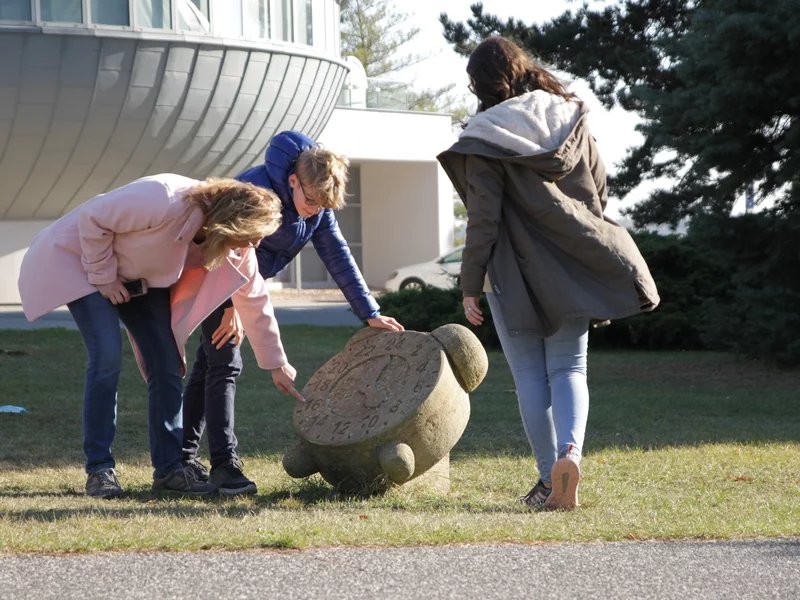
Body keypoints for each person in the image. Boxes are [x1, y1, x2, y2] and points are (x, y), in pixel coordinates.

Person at [437, 37, 659, 510]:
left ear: (480, 85)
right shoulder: (570, 117)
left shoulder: (485, 137)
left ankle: (546, 480)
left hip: (512, 273)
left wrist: (470, 284)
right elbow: (598, 188)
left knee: (530, 376)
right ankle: (570, 453)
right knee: (570, 367)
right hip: (571, 263)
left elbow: (483, 220)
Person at [18, 174, 303, 499]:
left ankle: (169, 471)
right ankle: (100, 470)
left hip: (137, 278)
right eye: (253, 236)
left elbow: (255, 300)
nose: (255, 245)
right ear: (232, 222)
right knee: (107, 357)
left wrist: (277, 364)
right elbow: (93, 217)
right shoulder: (163, 197)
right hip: (84, 264)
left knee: (167, 364)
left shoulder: (236, 248)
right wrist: (104, 276)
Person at [182, 131, 404, 496]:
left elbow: (337, 255)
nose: (315, 209)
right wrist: (231, 303)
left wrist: (370, 312)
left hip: (243, 284)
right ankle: (224, 466)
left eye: (323, 206)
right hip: (218, 272)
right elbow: (226, 245)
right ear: (293, 181)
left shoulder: (318, 208)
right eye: (311, 200)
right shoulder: (254, 190)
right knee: (225, 362)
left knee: (209, 364)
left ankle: (183, 456)